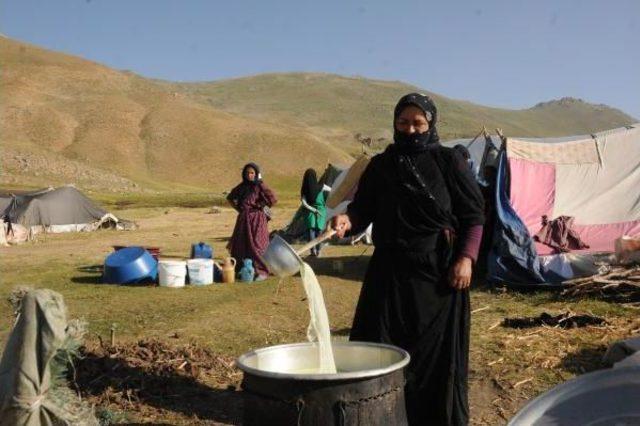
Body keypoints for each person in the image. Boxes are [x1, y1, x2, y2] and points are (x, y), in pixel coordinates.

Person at [331, 93, 485, 426]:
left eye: (418, 123)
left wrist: (467, 258)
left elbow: (474, 215)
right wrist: (347, 220)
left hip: (437, 277)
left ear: (431, 123)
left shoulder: (449, 161)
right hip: (388, 274)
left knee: (434, 359)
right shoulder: (383, 165)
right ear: (395, 124)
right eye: (403, 123)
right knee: (378, 349)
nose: (411, 130)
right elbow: (364, 209)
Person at [227, 163, 277, 281]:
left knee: (258, 245)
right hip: (244, 219)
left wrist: (261, 205)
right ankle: (242, 269)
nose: (249, 175)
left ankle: (262, 272)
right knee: (241, 244)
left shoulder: (260, 186)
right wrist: (238, 209)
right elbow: (230, 197)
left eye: (252, 173)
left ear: (256, 174)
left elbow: (273, 199)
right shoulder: (241, 186)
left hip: (257, 219)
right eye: (247, 173)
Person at [300, 168, 331, 256]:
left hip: (321, 212)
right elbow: (305, 203)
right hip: (311, 212)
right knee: (311, 231)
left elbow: (331, 190)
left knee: (319, 232)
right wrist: (314, 210)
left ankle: (318, 251)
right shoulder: (305, 190)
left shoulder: (321, 187)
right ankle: (313, 251)